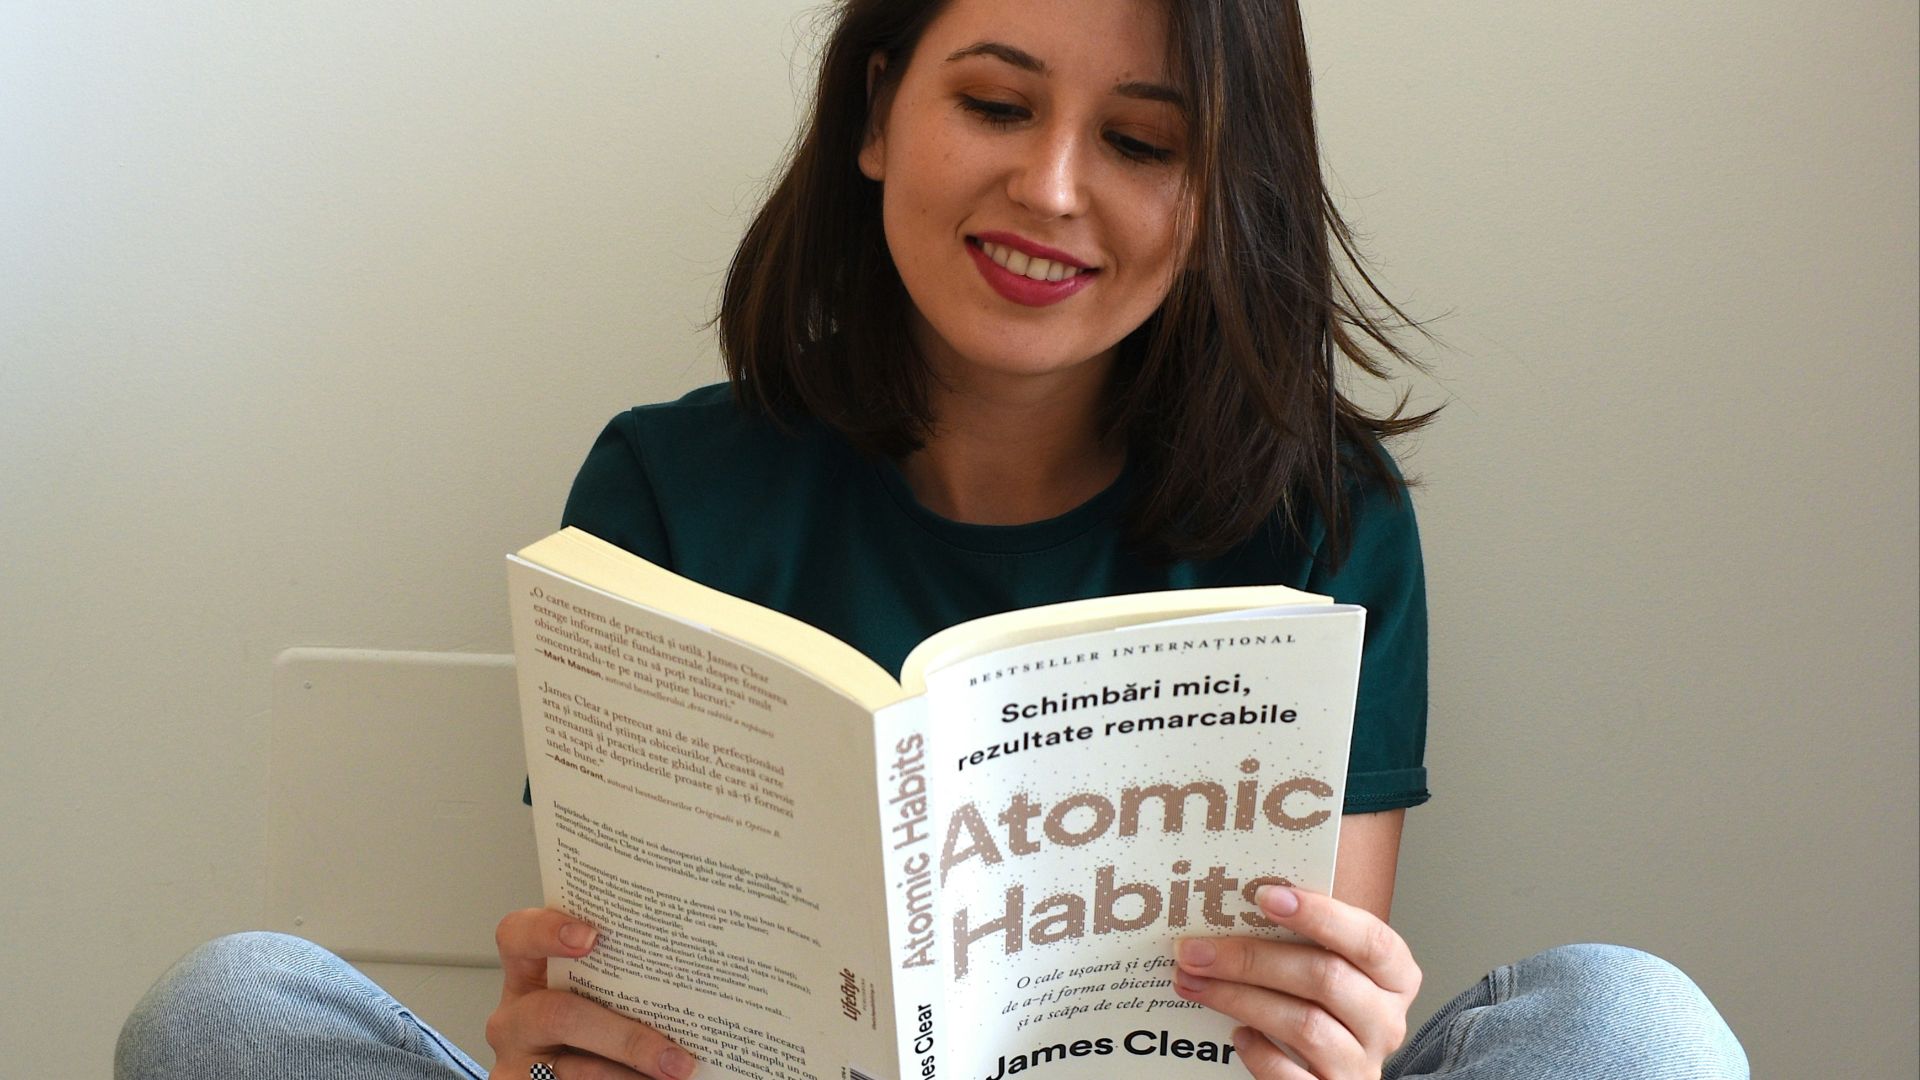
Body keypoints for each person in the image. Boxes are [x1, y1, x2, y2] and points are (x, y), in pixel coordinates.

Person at [115, 1, 1749, 1078]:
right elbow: (627, 970)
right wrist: (576, 1045)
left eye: (1140, 141)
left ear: (1211, 194)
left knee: (1631, 1028)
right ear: (879, 112)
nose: (1049, 187)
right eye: (994, 102)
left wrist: (1334, 1037)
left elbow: (1309, 986)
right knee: (229, 1014)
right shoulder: (668, 490)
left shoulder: (1317, 519)